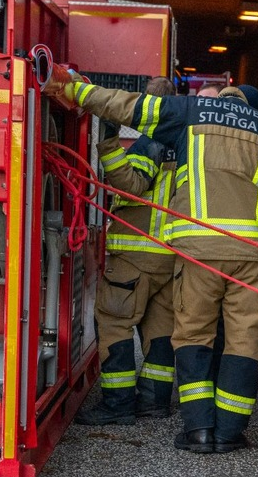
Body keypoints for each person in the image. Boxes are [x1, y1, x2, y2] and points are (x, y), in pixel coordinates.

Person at [60, 76, 258, 453]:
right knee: (243, 342)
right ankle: (229, 433)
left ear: (219, 98)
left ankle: (199, 430)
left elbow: (126, 106)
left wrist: (72, 89)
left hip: (197, 252)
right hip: (251, 254)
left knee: (193, 337)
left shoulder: (190, 113)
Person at [76, 76, 179, 426]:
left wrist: (107, 143)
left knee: (114, 323)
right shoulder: (186, 146)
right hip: (170, 256)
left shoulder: (153, 142)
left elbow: (131, 184)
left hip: (136, 255)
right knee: (159, 329)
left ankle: (117, 405)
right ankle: (154, 402)